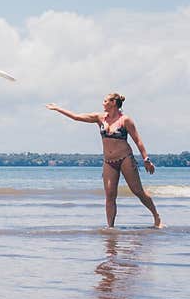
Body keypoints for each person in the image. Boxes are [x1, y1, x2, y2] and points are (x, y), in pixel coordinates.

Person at [46, 93, 162, 228]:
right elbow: (76, 117)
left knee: (137, 191)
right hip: (109, 162)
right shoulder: (99, 118)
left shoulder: (125, 120)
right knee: (110, 196)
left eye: (105, 101)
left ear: (113, 103)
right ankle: (110, 227)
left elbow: (138, 140)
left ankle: (156, 216)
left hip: (125, 158)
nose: (103, 103)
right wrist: (58, 108)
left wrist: (146, 159)